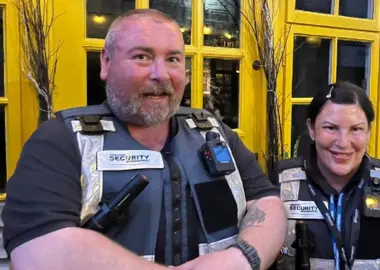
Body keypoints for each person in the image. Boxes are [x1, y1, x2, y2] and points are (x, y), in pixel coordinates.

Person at [2, 9, 288, 270]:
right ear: (106, 62)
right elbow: (37, 250)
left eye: (173, 59)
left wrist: (240, 258)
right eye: (142, 57)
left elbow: (266, 202)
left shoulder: (212, 131)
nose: (160, 74)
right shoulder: (62, 140)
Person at [274, 81, 380, 270]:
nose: (343, 143)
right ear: (312, 129)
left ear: (368, 131)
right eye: (331, 128)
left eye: (356, 129)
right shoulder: (282, 184)